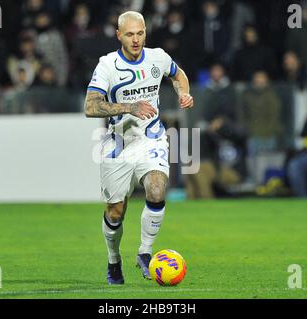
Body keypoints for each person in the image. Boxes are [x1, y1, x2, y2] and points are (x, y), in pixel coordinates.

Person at [84, 11, 193, 285]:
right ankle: (113, 260)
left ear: (146, 32)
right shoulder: (107, 65)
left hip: (151, 139)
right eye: (130, 34)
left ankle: (145, 252)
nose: (136, 39)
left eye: (140, 33)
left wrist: (183, 93)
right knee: (116, 211)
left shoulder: (158, 57)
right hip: (118, 145)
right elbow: (90, 106)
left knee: (157, 188)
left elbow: (178, 75)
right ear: (119, 35)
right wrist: (129, 107)